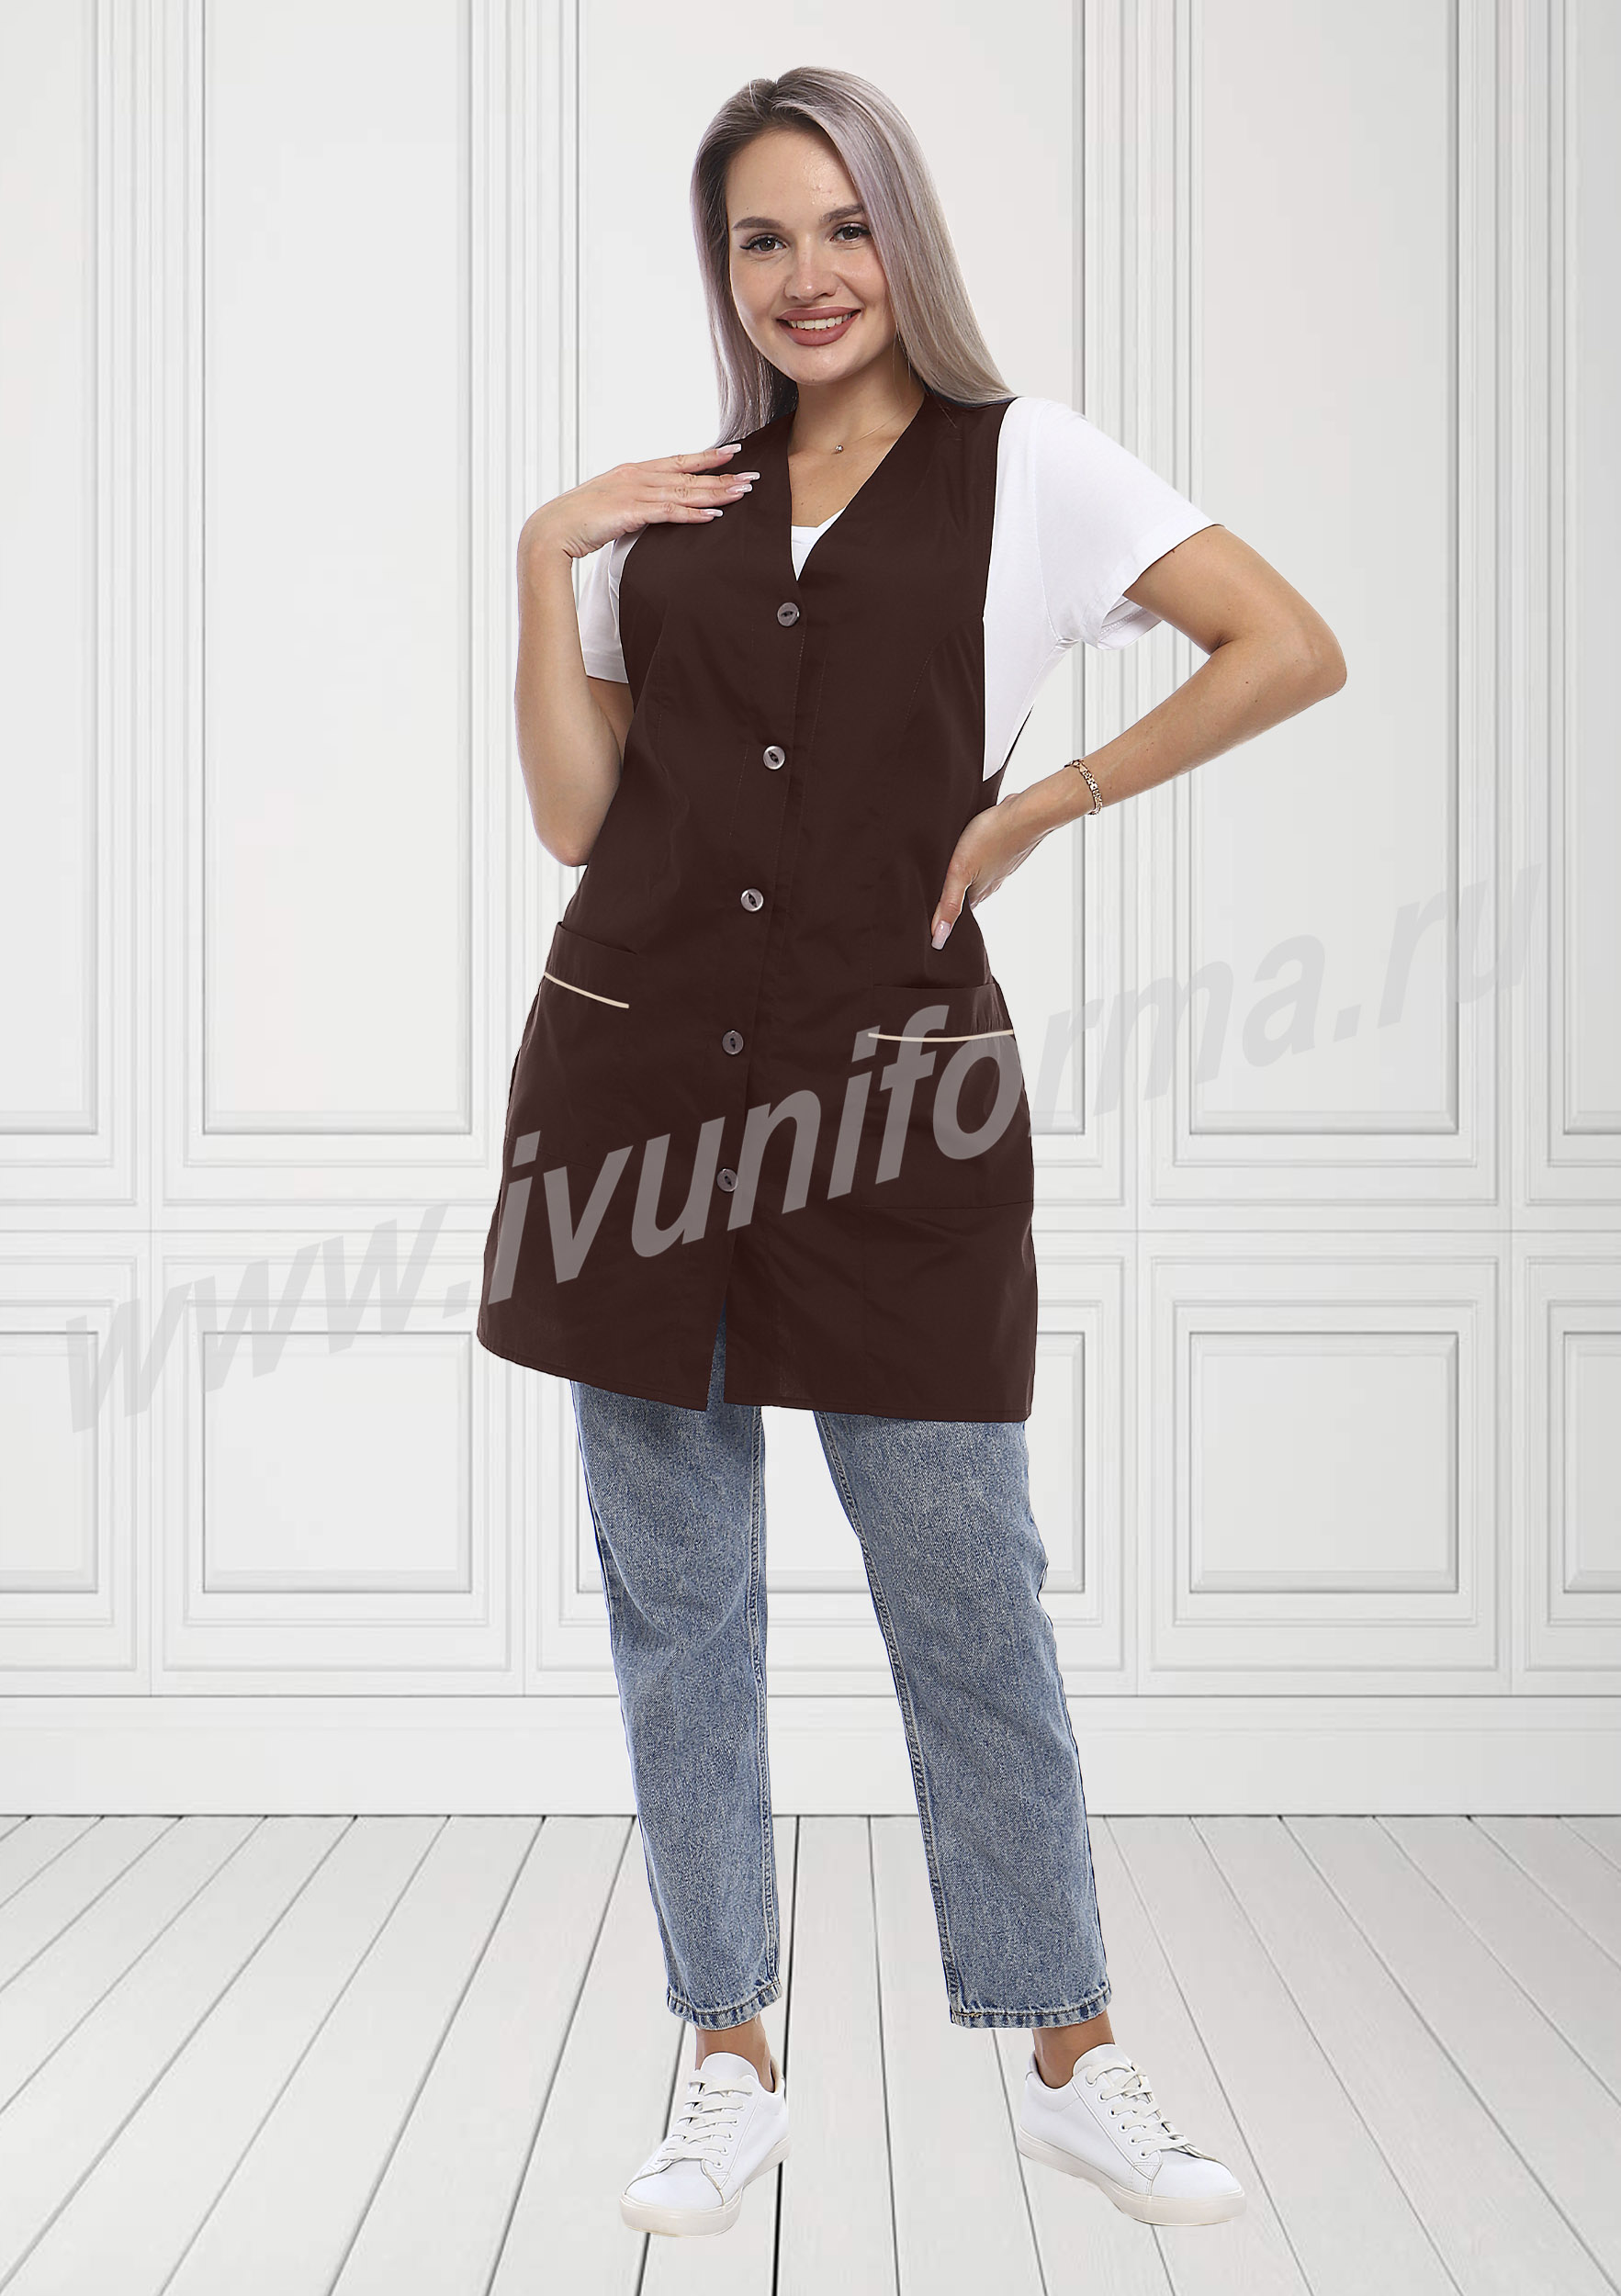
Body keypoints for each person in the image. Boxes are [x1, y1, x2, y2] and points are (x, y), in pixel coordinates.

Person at [476, 65, 1345, 2241]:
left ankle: (1069, 2048)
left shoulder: (1030, 467)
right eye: (760, 240)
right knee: (679, 1607)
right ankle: (726, 2057)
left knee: (966, 1583)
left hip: (896, 1106)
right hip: (634, 1097)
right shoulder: (670, 510)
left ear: (904, 235)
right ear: (722, 269)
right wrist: (542, 557)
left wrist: (1043, 803)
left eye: (841, 226)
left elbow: (1284, 641)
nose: (806, 276)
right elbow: (577, 818)